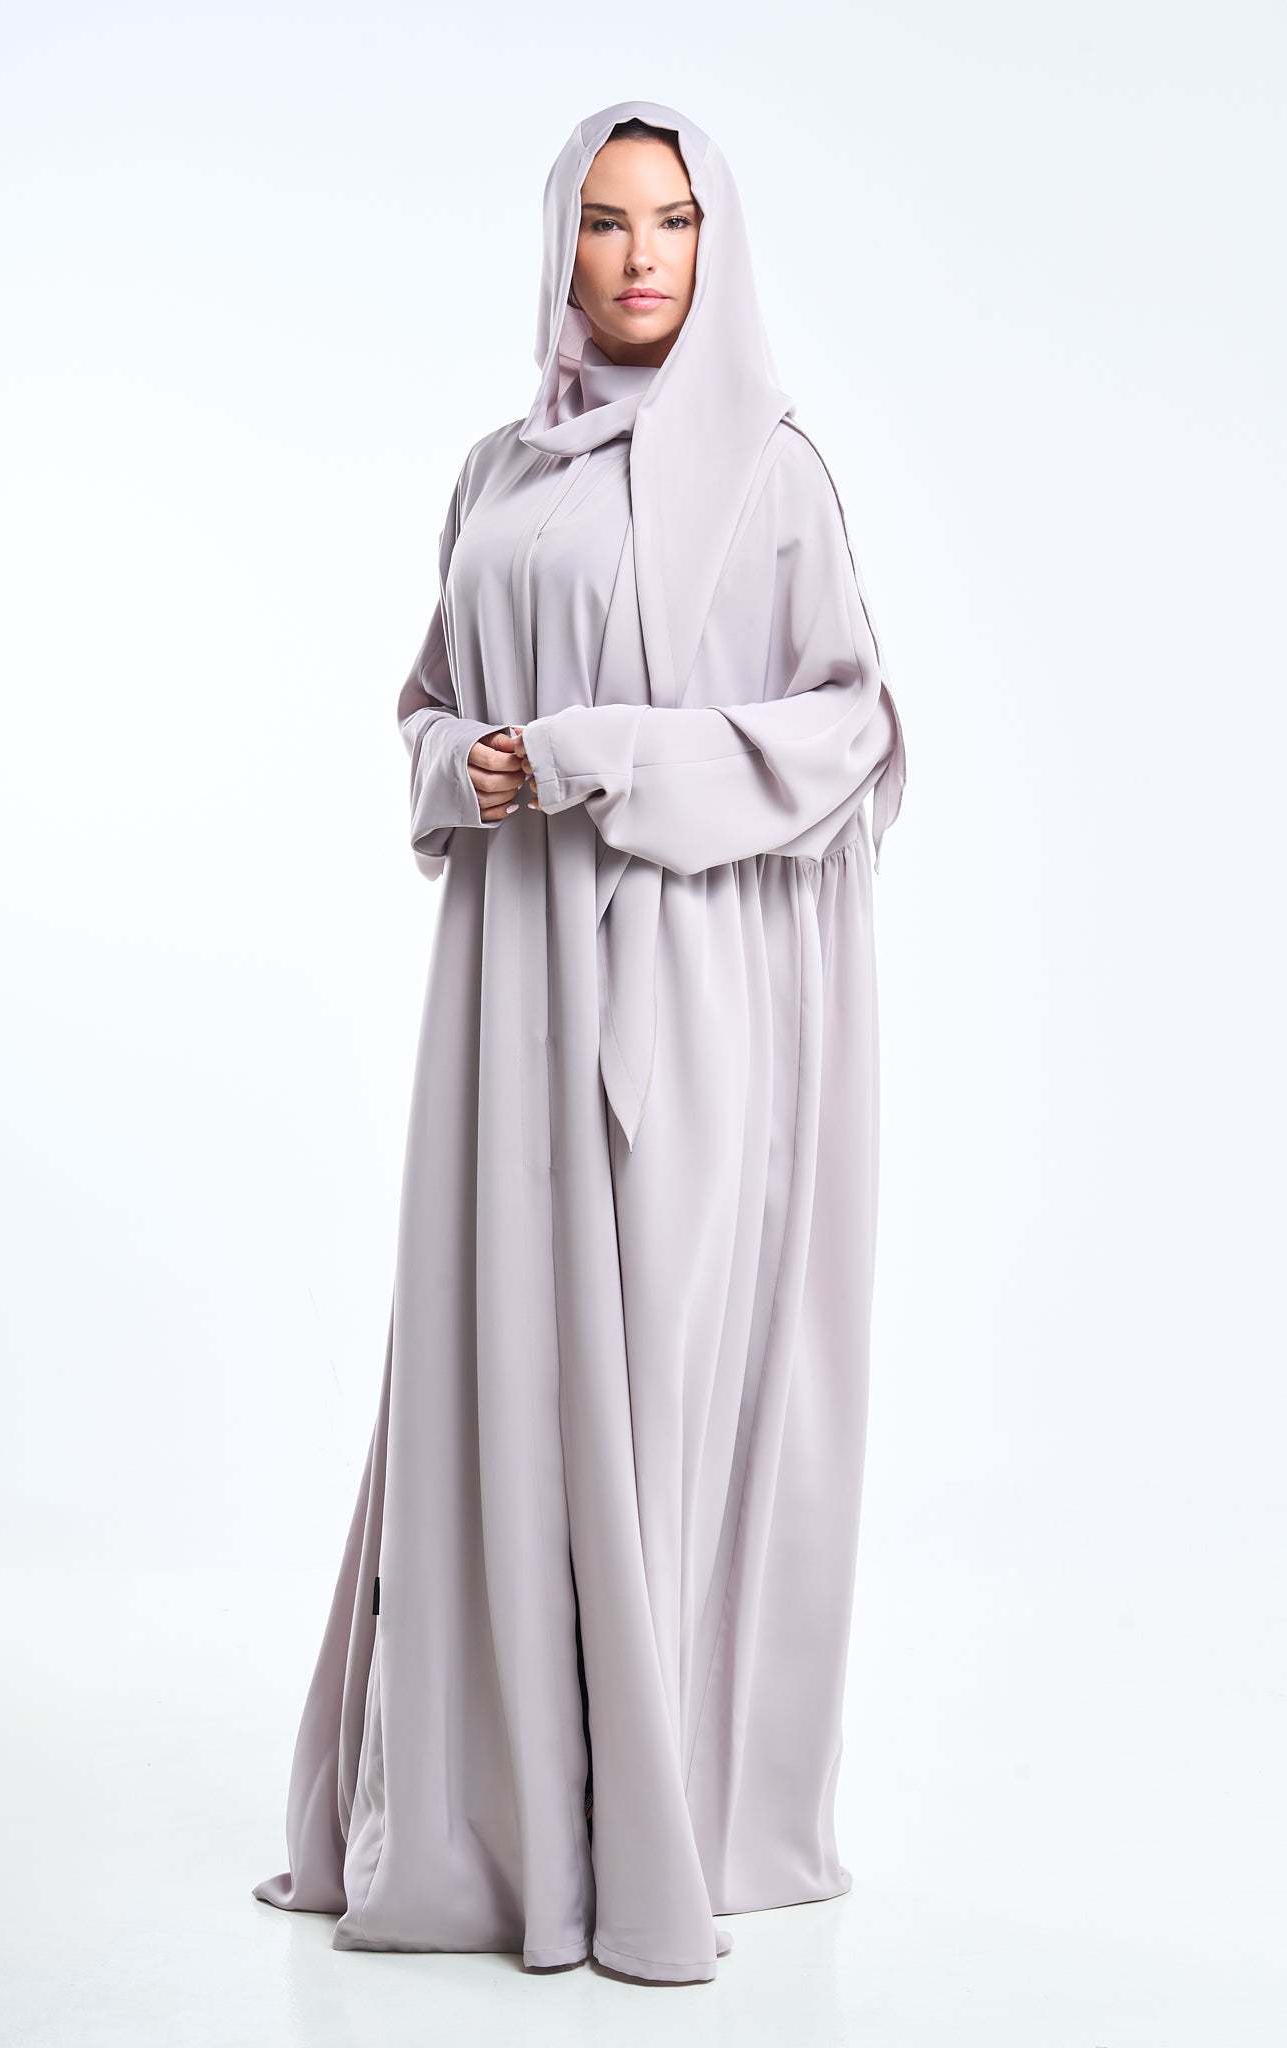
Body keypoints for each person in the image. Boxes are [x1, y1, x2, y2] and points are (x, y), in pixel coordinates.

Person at [253, 96, 907, 1988]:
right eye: (607, 223)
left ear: (716, 245)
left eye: (674, 222)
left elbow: (850, 729)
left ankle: (653, 1823)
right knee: (504, 1355)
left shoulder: (769, 474)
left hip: (686, 974)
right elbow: (431, 696)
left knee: (648, 1368)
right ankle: (498, 1813)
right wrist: (452, 768)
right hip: (505, 982)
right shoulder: (496, 471)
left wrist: (602, 754)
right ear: (561, 247)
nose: (640, 258)